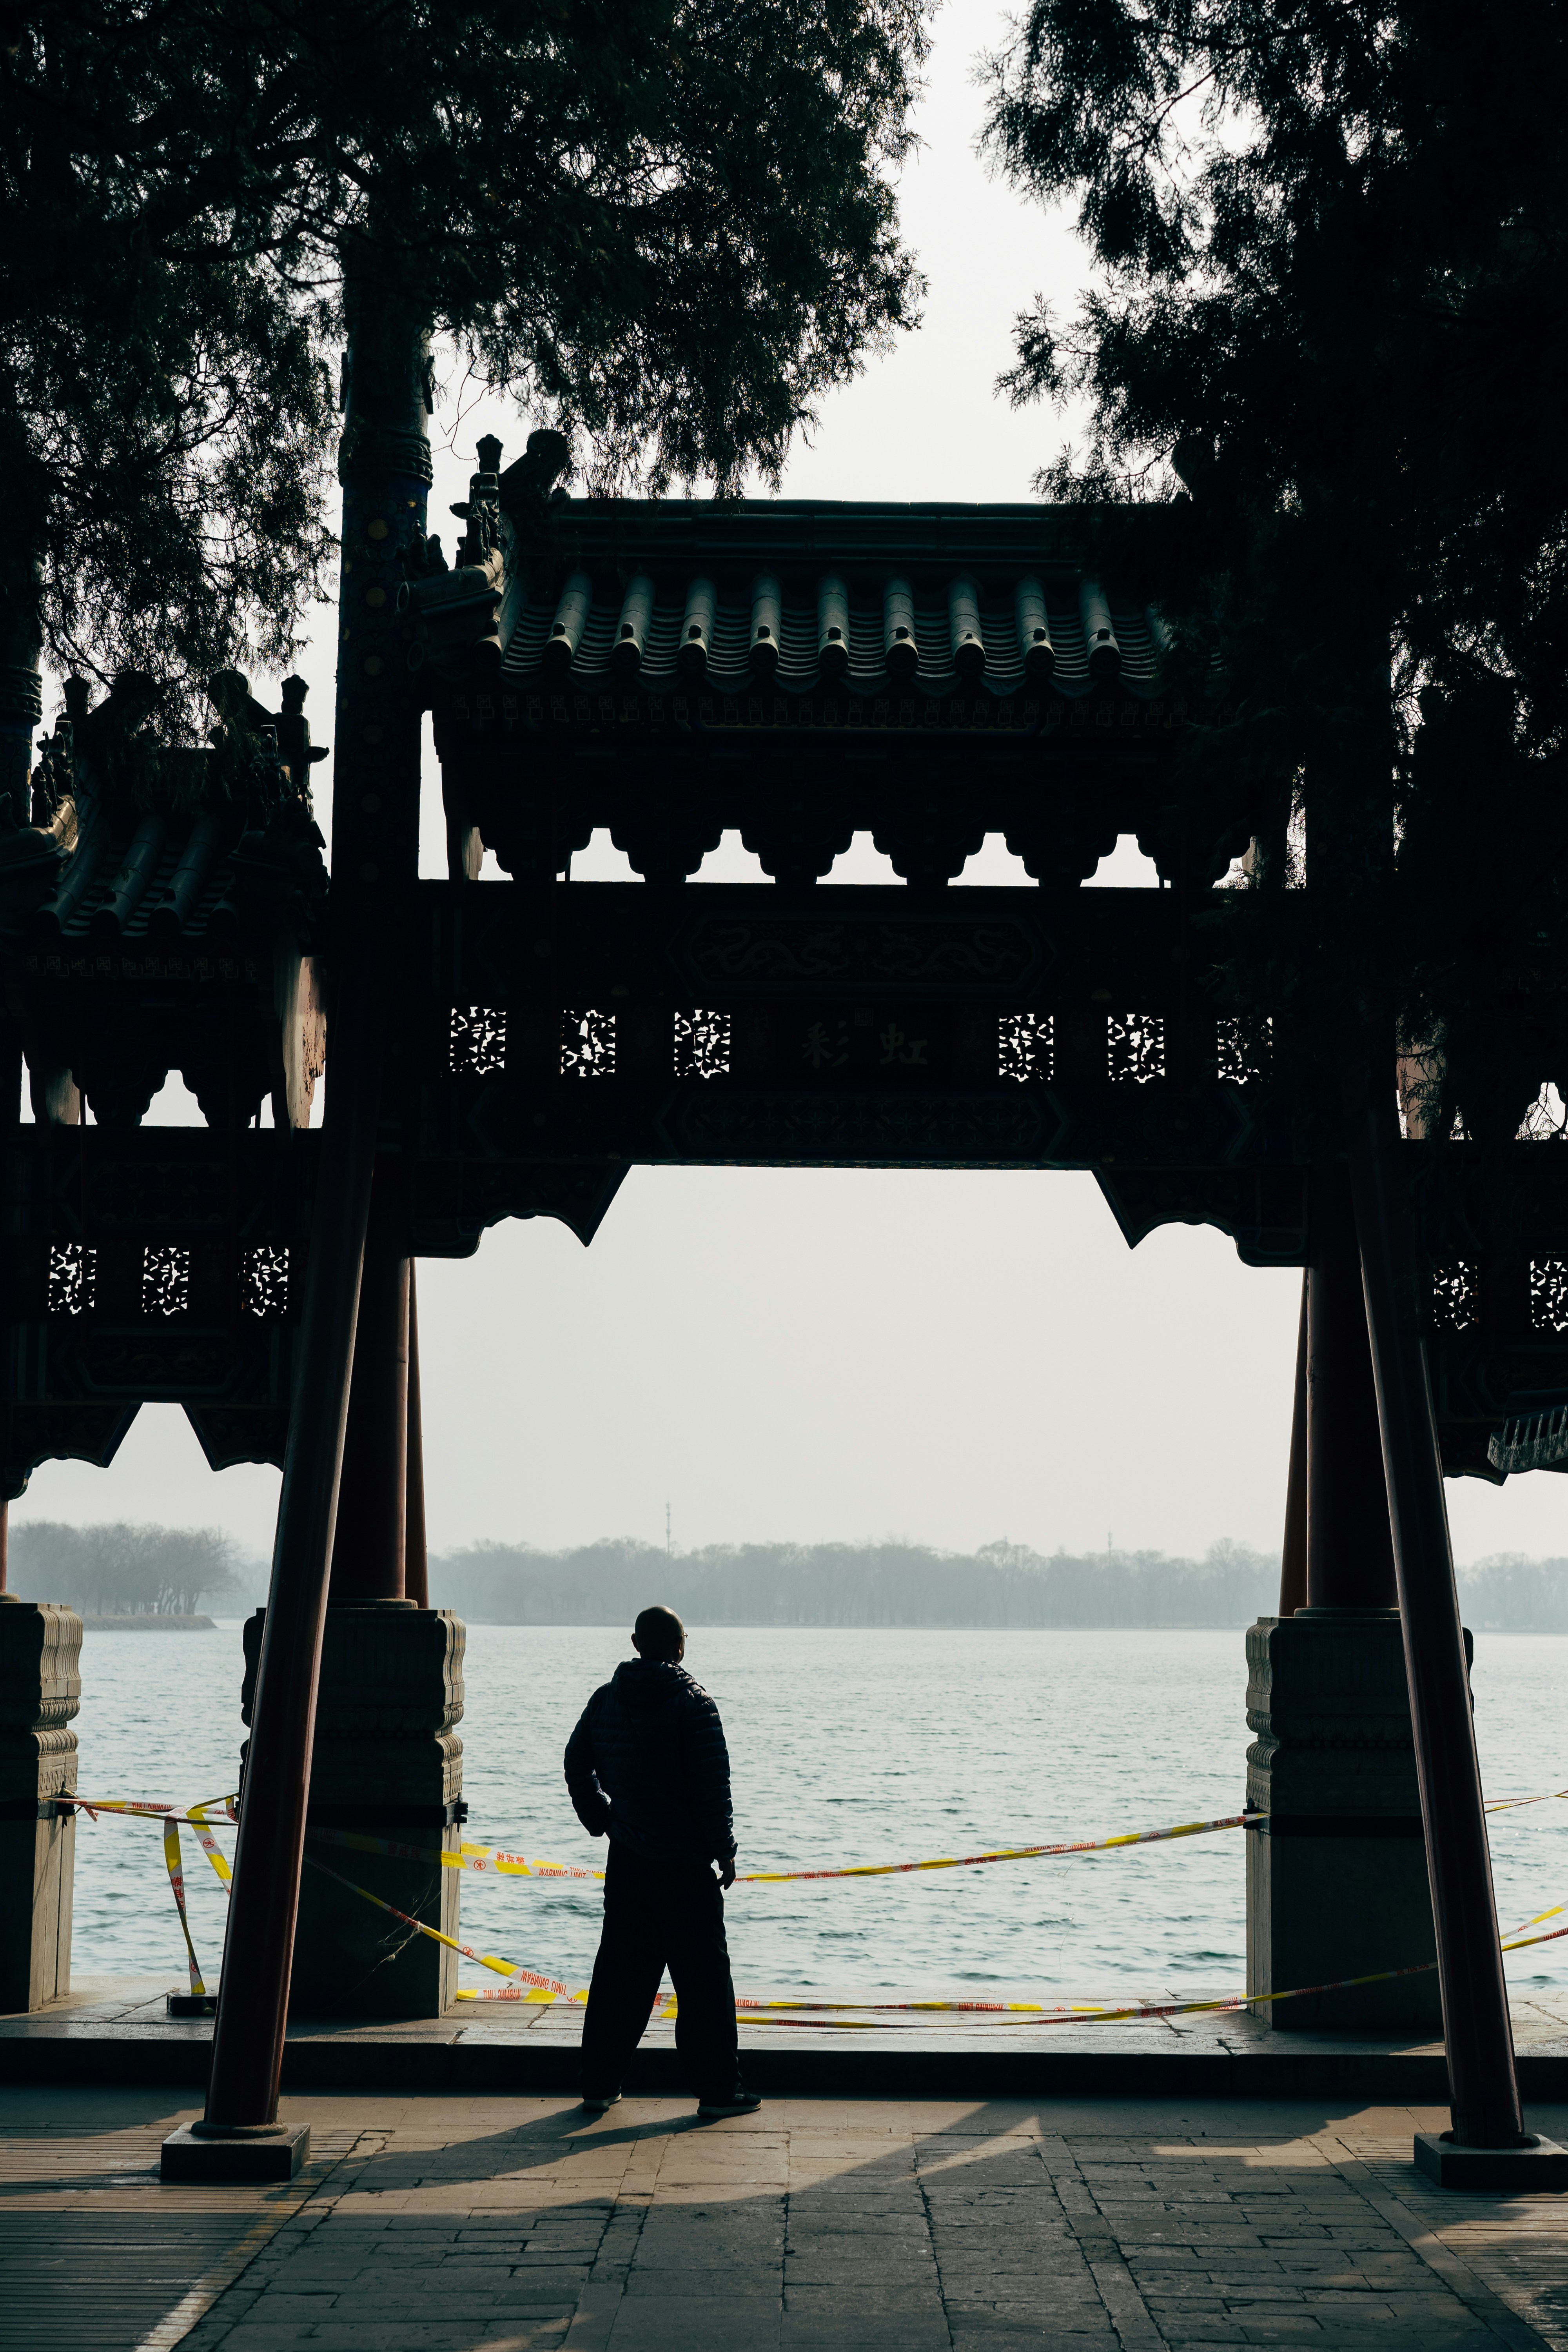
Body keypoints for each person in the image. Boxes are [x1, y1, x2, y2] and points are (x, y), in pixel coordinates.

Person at [564, 1606, 760, 2120]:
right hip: (684, 1865)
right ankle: (718, 2091)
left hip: (627, 1857)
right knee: (704, 1983)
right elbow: (711, 1789)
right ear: (680, 1646)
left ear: (635, 1642)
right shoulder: (694, 1704)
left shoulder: (606, 1701)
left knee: (619, 1978)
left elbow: (575, 1762)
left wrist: (601, 1818)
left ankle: (599, 2084)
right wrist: (725, 1851)